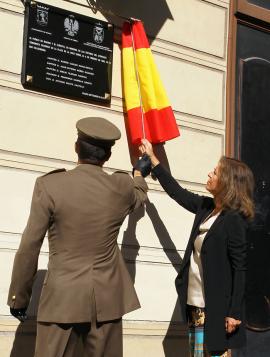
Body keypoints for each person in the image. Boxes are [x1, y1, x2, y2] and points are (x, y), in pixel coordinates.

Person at [7, 117, 148, 357]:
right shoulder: (121, 186)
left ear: (76, 147)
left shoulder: (50, 185)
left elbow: (30, 245)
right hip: (107, 303)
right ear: (108, 155)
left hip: (62, 301)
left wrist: (18, 298)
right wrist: (138, 173)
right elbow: (139, 194)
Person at [140, 139, 255, 357]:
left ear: (227, 182)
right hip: (194, 303)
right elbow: (177, 193)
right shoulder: (206, 207)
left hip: (214, 307)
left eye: (215, 172)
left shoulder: (233, 220)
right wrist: (153, 159)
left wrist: (234, 313)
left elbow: (240, 269)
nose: (210, 174)